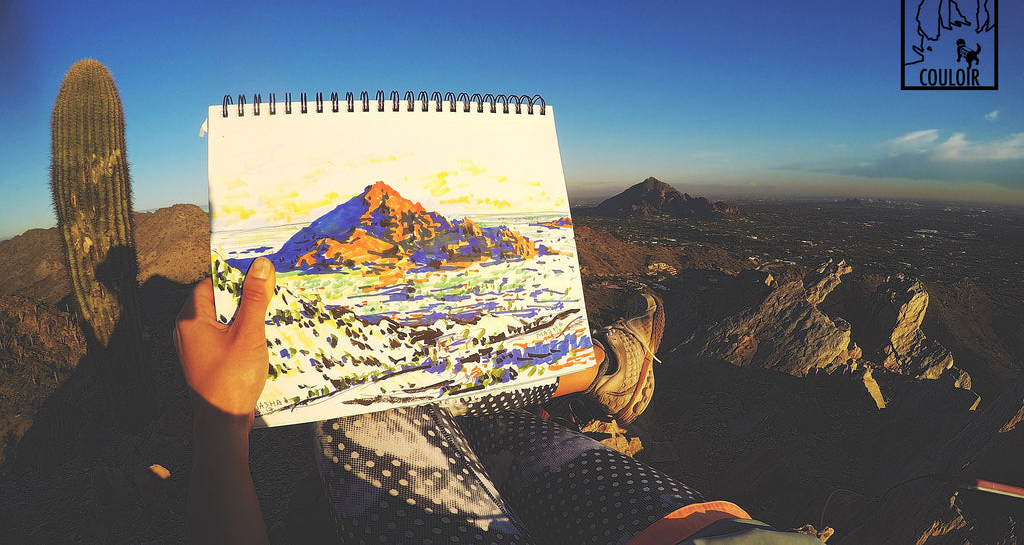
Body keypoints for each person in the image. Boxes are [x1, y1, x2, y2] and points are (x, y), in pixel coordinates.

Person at [174, 257, 821, 544]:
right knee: (506, 431)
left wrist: (220, 425)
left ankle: (592, 366)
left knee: (370, 394)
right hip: (700, 541)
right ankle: (600, 368)